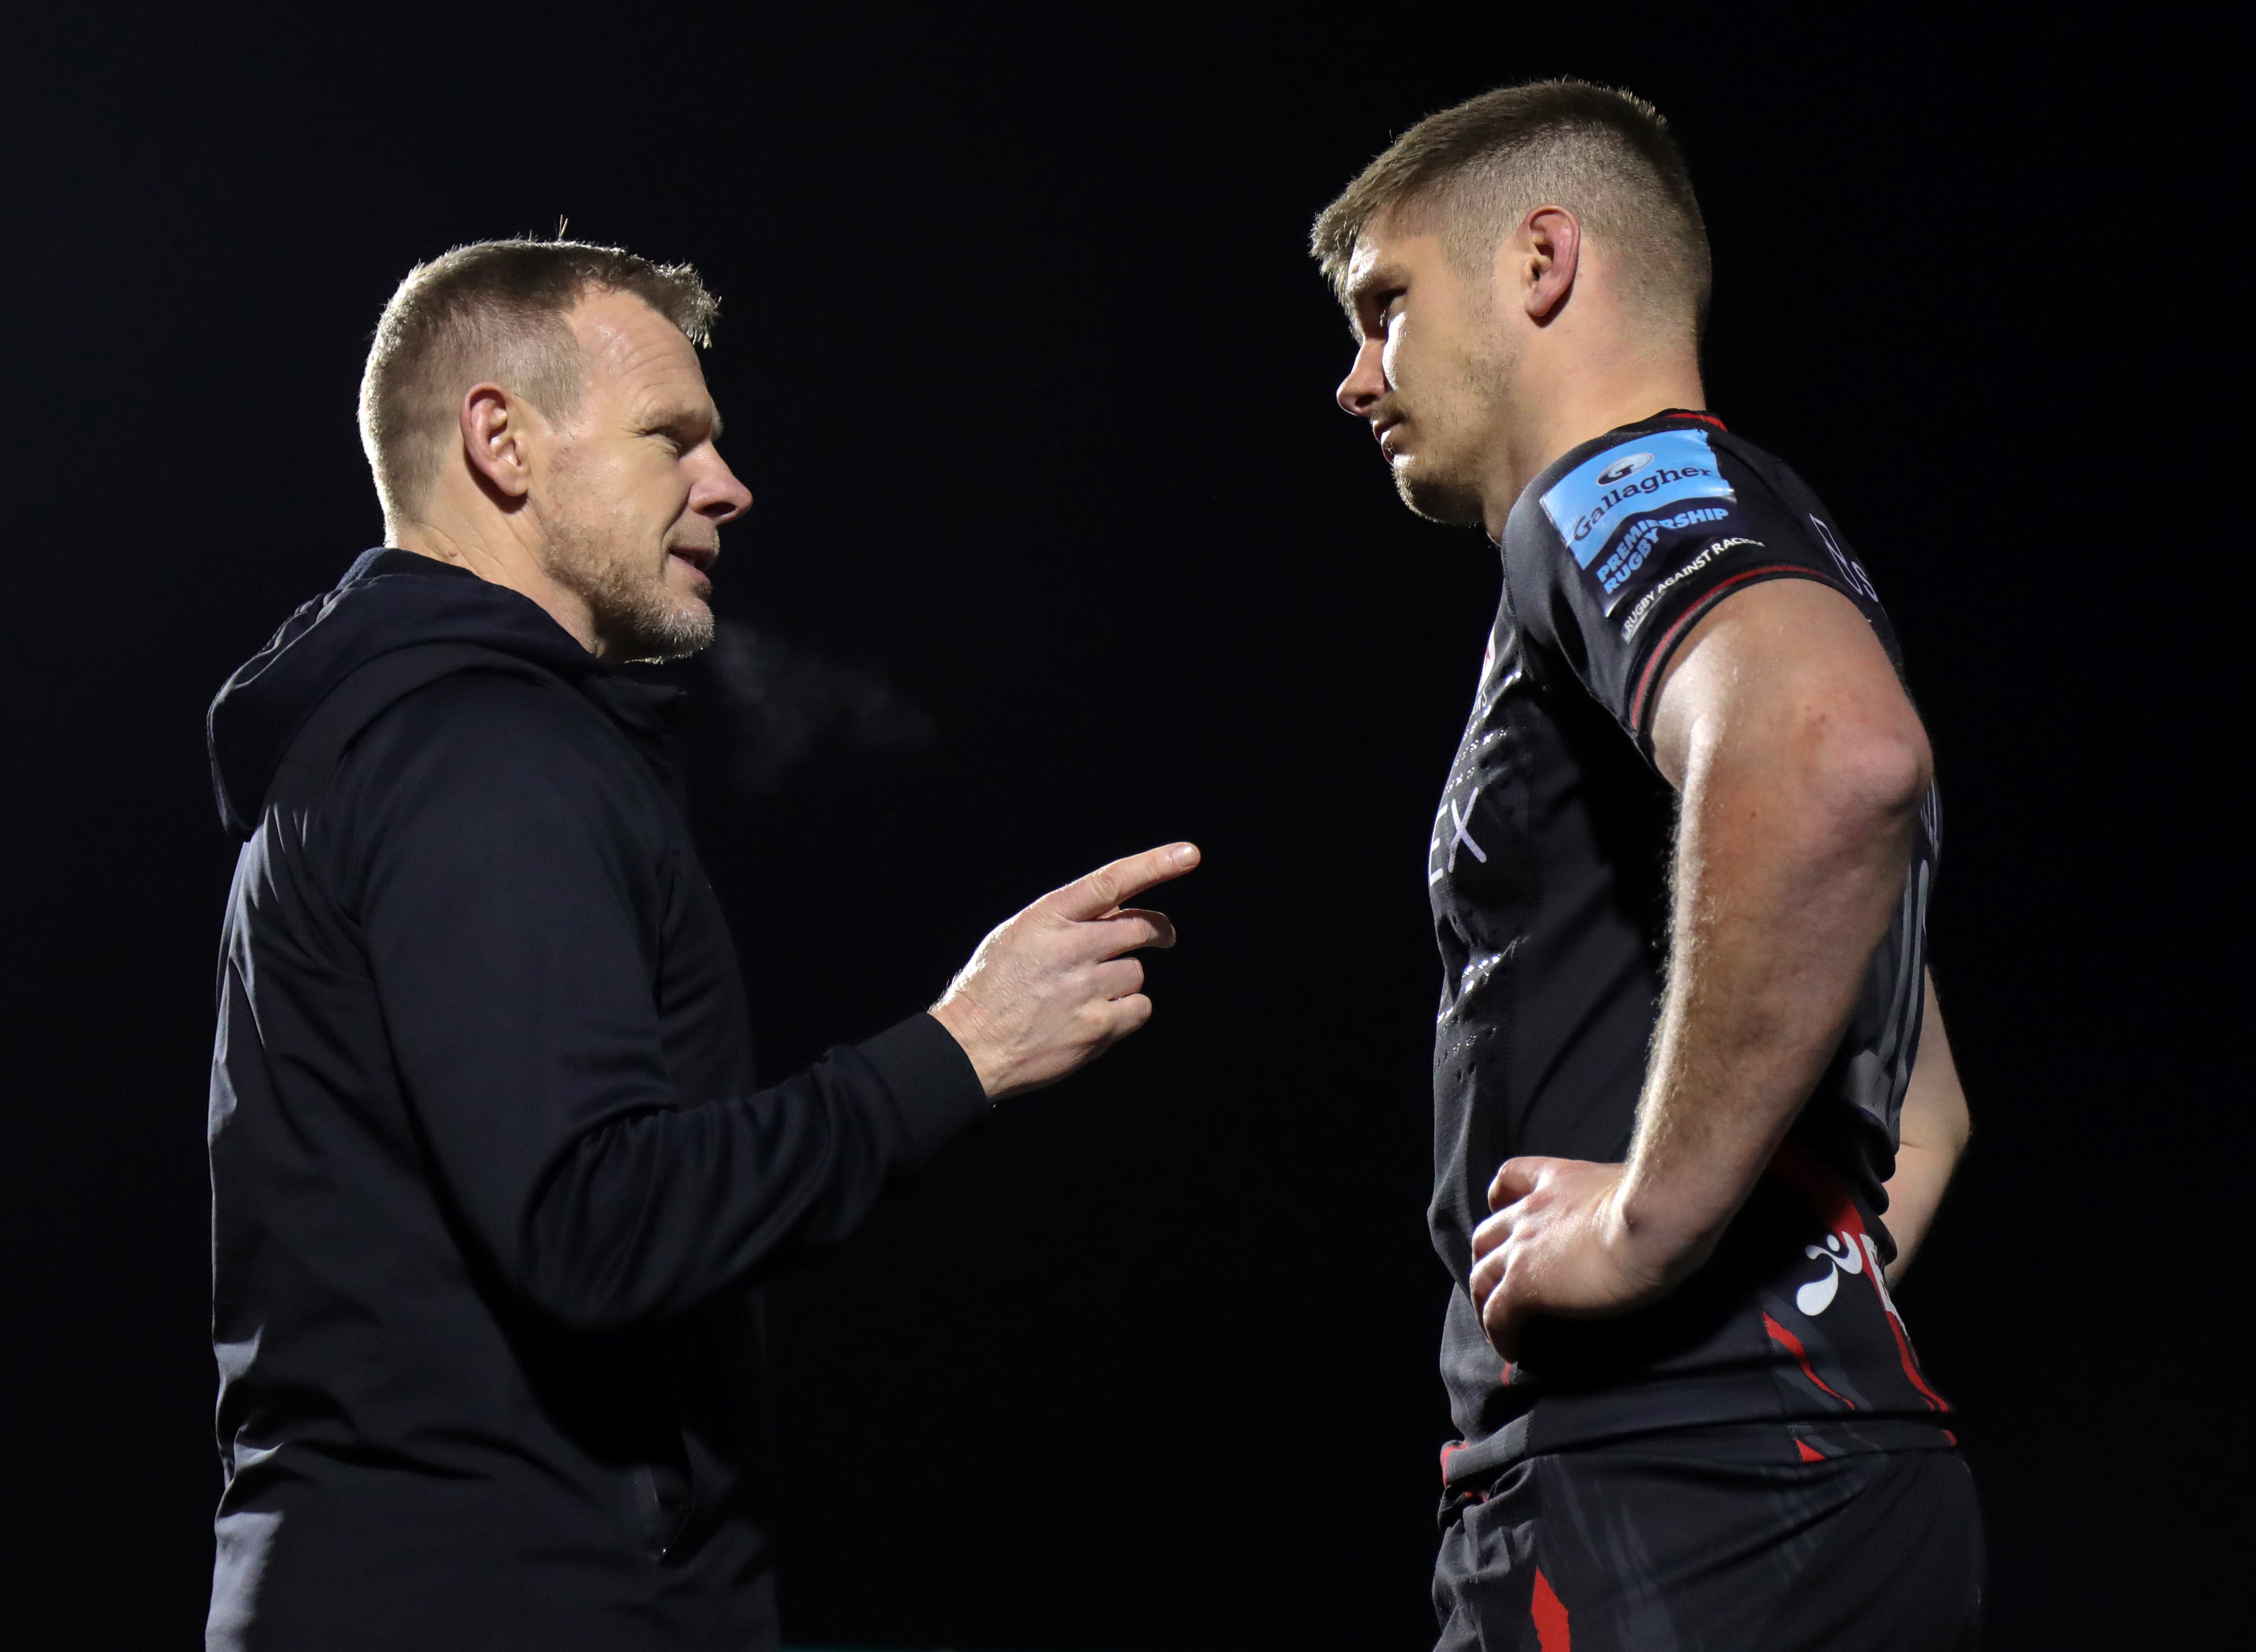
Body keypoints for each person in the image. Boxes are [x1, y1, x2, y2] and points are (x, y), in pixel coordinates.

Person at [201, 239, 1197, 1651]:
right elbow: (591, 1223)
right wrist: (959, 1052)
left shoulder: (410, 745)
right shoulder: (482, 753)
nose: (727, 486)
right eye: (674, 435)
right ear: (502, 441)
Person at [1312, 84, 1979, 1649]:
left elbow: (1833, 755)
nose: (1354, 381)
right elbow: (1926, 1116)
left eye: (1384, 309)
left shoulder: (1611, 493)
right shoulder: (1765, 536)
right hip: (1809, 1475)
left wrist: (1648, 1237)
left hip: (1669, 1504)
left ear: (1543, 260)